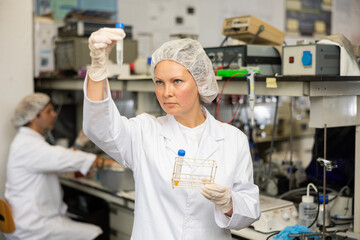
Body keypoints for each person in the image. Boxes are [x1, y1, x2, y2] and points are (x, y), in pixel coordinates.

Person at [83, 27, 260, 239]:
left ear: (200, 81)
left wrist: (230, 203)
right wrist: (97, 67)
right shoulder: (145, 132)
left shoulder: (233, 140)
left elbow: (250, 210)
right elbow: (99, 126)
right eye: (160, 82)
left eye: (177, 81)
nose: (167, 92)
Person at [4, 93, 110, 240]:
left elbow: (57, 159)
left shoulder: (25, 141)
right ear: (35, 117)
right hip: (34, 226)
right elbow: (62, 158)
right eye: (49, 111)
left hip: (30, 217)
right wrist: (104, 162)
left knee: (82, 222)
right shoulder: (28, 146)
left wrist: (79, 143)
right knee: (96, 233)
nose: (54, 114)